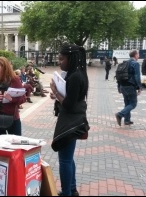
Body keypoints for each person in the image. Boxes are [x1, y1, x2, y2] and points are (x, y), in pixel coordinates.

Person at [49, 44, 89, 196]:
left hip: (70, 122)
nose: (59, 62)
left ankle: (67, 192)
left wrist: (55, 91)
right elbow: (70, 98)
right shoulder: (77, 73)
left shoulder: (75, 76)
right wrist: (58, 95)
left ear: (70, 58)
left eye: (61, 59)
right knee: (68, 158)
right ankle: (72, 189)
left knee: (64, 160)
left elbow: (69, 104)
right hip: (74, 120)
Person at [0, 57, 26, 136]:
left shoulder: (15, 80)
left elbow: (23, 98)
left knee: (15, 143)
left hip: (12, 117)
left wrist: (11, 99)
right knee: (1, 143)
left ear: (5, 69)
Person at [115, 49, 142, 126]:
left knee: (127, 103)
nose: (139, 56)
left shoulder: (124, 63)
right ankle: (120, 114)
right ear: (135, 55)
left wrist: (119, 87)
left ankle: (127, 120)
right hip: (130, 86)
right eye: (138, 54)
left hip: (123, 85)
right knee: (133, 104)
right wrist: (140, 87)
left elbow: (119, 76)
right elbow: (137, 77)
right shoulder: (135, 64)